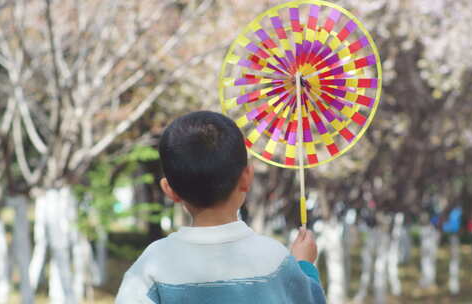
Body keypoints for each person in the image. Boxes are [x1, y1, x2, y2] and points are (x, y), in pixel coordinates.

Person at [115, 111, 326, 304]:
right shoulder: (275, 260)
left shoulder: (154, 263)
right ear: (247, 177)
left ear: (169, 190)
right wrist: (303, 265)